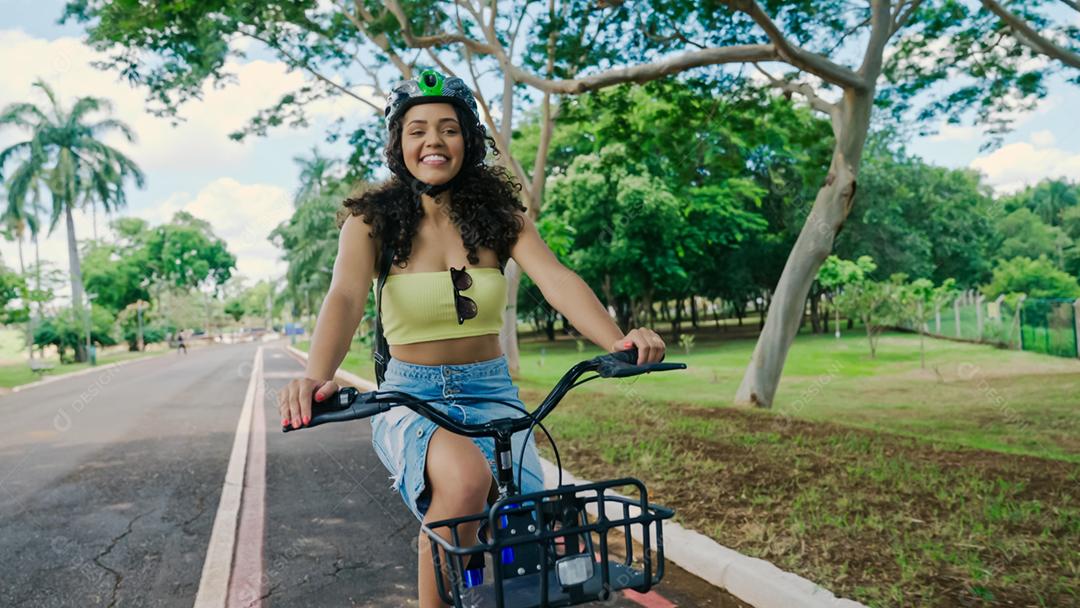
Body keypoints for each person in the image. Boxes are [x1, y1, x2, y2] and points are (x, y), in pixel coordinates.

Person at [278, 69, 666, 607]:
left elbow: (556, 280)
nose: (433, 140)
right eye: (417, 130)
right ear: (399, 144)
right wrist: (314, 377)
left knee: (530, 522)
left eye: (448, 128)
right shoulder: (371, 224)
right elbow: (343, 299)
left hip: (494, 391)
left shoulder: (501, 221)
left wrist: (620, 341)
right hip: (412, 395)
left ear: (469, 141)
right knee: (463, 482)